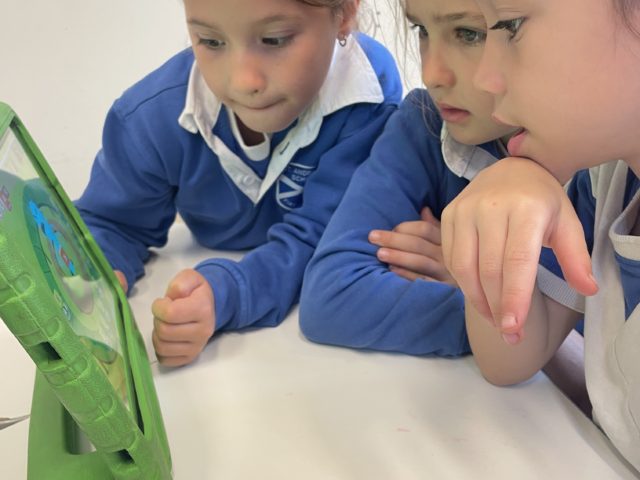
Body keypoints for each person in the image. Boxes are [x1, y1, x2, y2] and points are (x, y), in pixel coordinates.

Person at [75, 0, 402, 367]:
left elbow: (329, 238)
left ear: (345, 13)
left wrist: (227, 293)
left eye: (274, 39)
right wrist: (97, 272)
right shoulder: (149, 118)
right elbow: (112, 223)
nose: (244, 81)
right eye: (211, 41)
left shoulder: (369, 94)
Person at [440, 0, 640, 471]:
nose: (484, 78)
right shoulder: (606, 182)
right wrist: (500, 229)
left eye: (510, 25)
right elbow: (507, 361)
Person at [298, 0, 516, 355]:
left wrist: (481, 285)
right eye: (422, 30)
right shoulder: (424, 124)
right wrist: (492, 312)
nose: (431, 74)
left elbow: (600, 350)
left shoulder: (597, 170)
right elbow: (332, 296)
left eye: (468, 34)